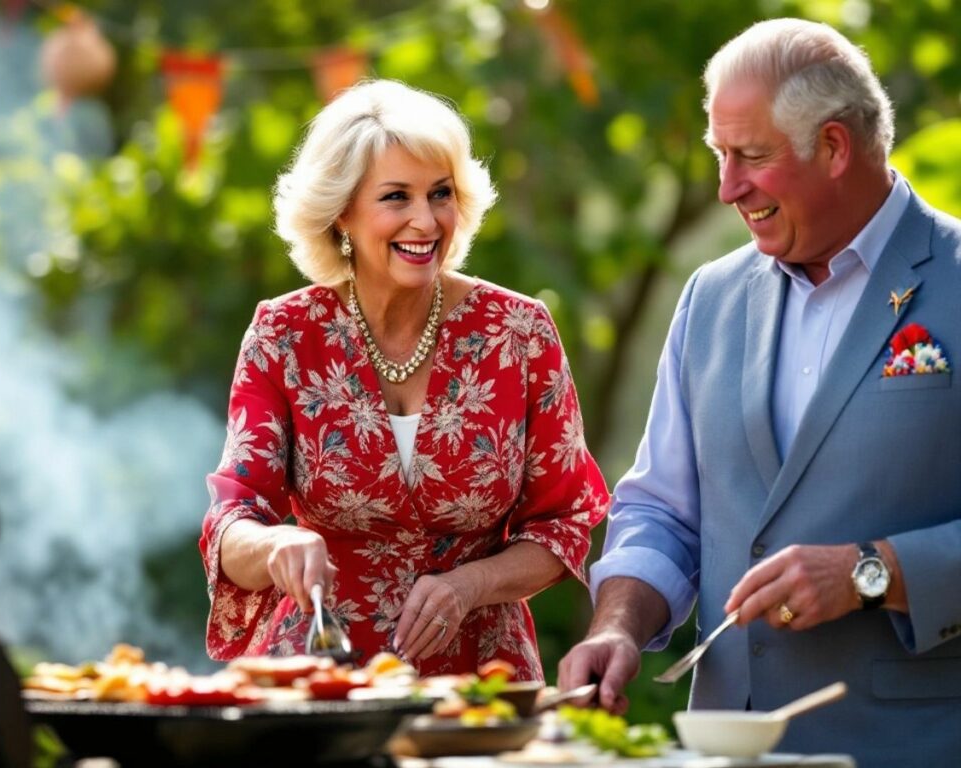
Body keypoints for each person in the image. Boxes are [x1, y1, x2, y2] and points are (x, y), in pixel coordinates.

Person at [559, 18, 961, 766]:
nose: (726, 188)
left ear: (836, 147)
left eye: (752, 156)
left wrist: (873, 573)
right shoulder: (708, 298)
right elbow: (660, 510)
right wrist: (615, 625)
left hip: (914, 745)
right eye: (719, 154)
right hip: (726, 749)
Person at [199, 79, 608, 680]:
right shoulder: (284, 333)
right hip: (319, 676)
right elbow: (231, 523)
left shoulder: (520, 331)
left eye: (440, 194)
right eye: (396, 197)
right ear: (342, 212)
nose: (426, 220)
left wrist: (471, 584)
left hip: (481, 680)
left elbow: (565, 523)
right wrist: (275, 546)